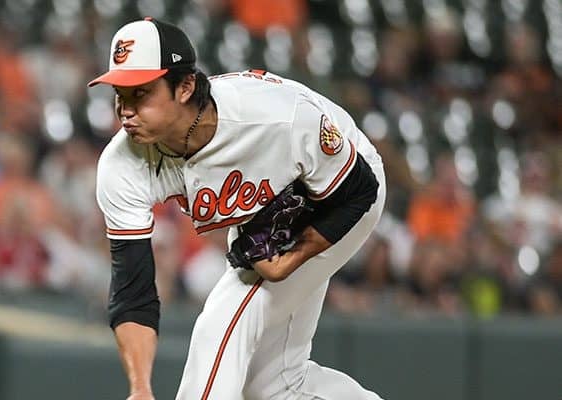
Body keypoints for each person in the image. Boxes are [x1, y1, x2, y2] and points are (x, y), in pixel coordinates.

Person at [89, 18, 386, 399]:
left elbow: (360, 188)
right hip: (268, 210)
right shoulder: (121, 165)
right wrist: (140, 388)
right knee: (274, 387)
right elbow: (133, 292)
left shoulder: (274, 118)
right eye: (120, 94)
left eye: (140, 93)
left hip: (339, 184)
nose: (126, 110)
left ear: (185, 87)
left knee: (224, 319)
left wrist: (292, 258)